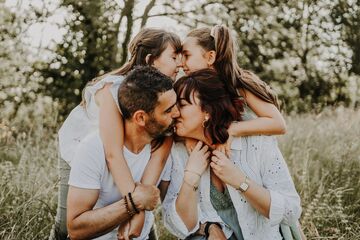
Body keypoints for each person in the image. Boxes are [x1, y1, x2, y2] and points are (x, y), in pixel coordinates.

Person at [49, 28, 182, 240]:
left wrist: (137, 213)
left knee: (133, 212)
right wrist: (135, 206)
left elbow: (164, 143)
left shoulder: (165, 96)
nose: (180, 64)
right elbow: (113, 153)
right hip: (80, 150)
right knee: (66, 223)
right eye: (173, 57)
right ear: (151, 60)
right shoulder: (112, 89)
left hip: (124, 154)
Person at [161, 69, 302, 240]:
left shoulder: (257, 142)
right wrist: (191, 178)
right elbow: (176, 224)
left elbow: (291, 211)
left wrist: (240, 181)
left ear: (207, 111)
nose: (174, 113)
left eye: (182, 105)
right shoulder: (179, 151)